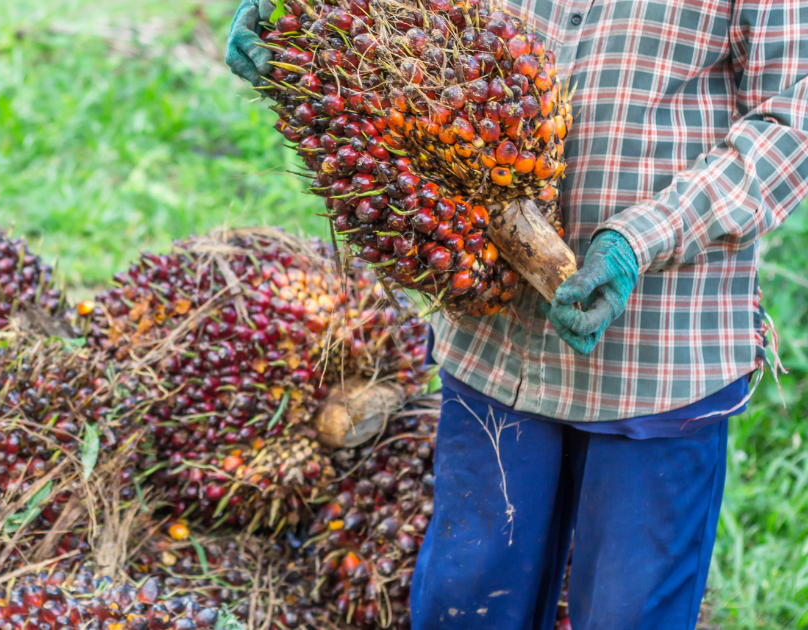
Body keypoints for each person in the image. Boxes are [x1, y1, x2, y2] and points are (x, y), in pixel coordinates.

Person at [226, 1, 808, 628]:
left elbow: (791, 122)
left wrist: (645, 238)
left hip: (656, 356)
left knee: (627, 614)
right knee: (467, 605)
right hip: (496, 351)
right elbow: (408, 28)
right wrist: (308, 37)